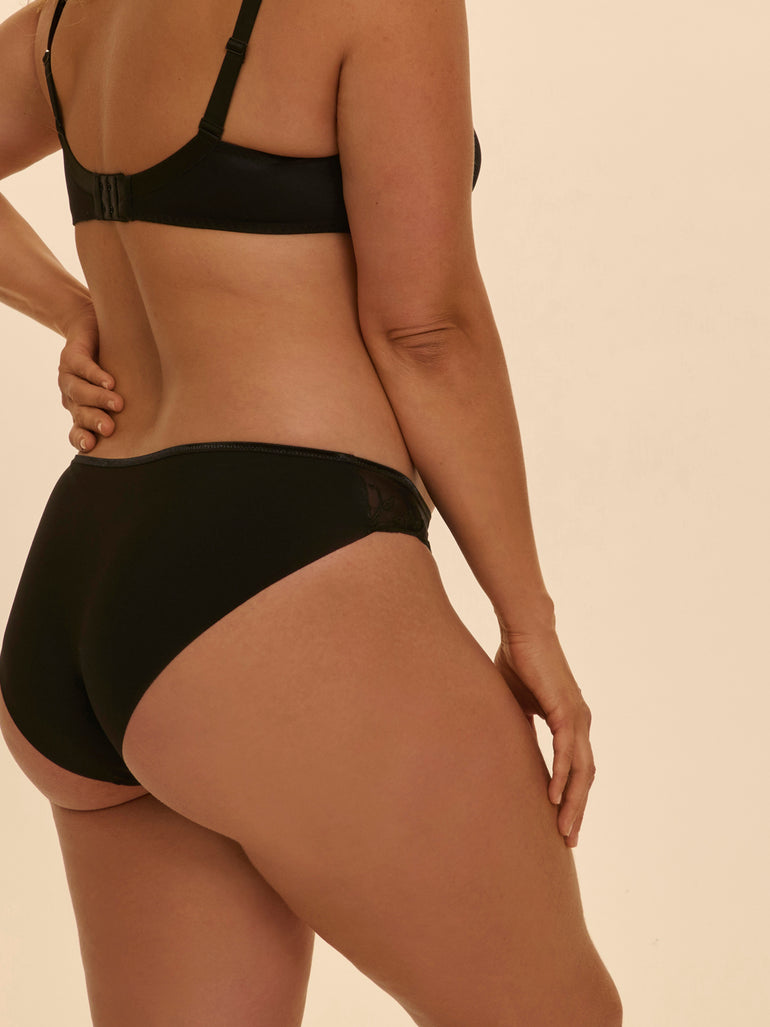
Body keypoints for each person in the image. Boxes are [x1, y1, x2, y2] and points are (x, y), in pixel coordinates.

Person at [0, 0, 622, 1023]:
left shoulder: (77, 12)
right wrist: (528, 621)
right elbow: (424, 331)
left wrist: (79, 307)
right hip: (277, 574)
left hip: (82, 579)